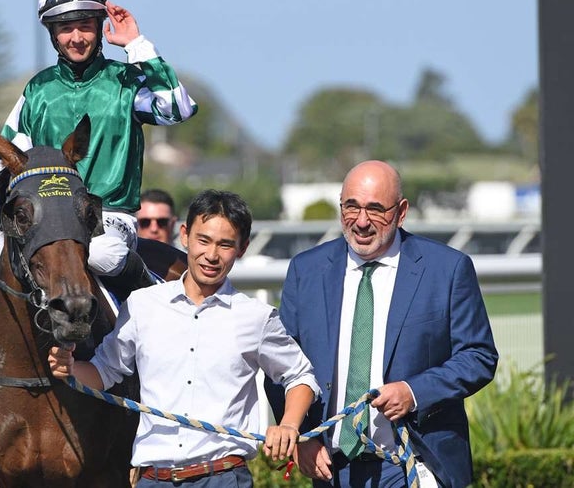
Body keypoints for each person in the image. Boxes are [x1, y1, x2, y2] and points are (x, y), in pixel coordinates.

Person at [0, 0, 197, 348]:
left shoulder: (126, 82)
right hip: (43, 219)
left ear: (100, 24)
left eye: (86, 25)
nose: (76, 37)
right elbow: (2, 159)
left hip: (109, 218)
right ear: (52, 33)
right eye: (65, 28)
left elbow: (179, 108)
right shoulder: (37, 90)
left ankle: (159, 326)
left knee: (102, 255)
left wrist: (136, 44)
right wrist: (17, 215)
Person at [49, 190, 320, 487]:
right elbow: (103, 371)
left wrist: (289, 425)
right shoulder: (142, 305)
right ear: (185, 236)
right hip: (154, 479)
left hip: (224, 478)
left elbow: (300, 377)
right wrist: (70, 368)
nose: (212, 255)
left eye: (225, 244)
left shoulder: (256, 317)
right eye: (203, 240)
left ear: (242, 249)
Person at [265, 160, 498, 488]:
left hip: (412, 464)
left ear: (401, 212)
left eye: (376, 209)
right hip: (331, 468)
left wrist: (414, 392)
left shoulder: (447, 269)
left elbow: (479, 355)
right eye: (352, 207)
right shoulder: (307, 270)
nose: (361, 221)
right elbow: (280, 364)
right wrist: (302, 437)